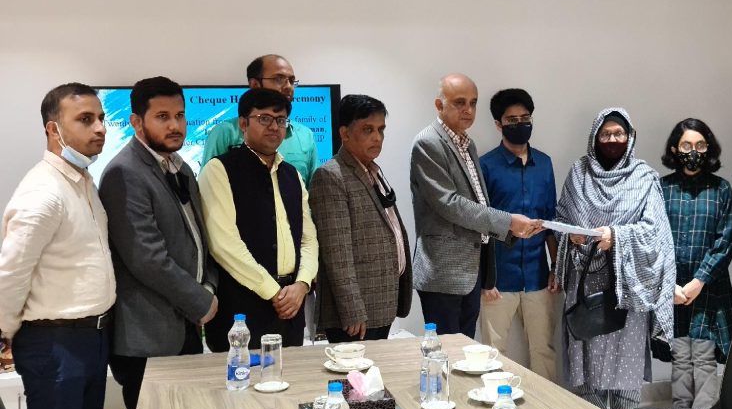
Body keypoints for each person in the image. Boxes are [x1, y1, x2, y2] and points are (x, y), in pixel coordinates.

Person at [0, 83, 115, 409]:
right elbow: (10, 274)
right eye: (85, 120)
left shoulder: (82, 182)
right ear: (54, 130)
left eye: (101, 118)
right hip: (55, 344)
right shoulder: (43, 191)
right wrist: (5, 335)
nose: (100, 128)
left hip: (91, 340)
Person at [99, 76, 219, 409]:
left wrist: (209, 286)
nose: (175, 125)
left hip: (183, 326)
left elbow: (200, 240)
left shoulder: (180, 168)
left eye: (180, 115)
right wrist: (201, 300)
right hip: (146, 334)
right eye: (162, 117)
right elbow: (146, 257)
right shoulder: (124, 172)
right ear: (136, 122)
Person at [554, 109, 675, 409]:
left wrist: (617, 236)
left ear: (630, 137)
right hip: (585, 287)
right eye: (605, 134)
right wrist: (572, 237)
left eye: (618, 134)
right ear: (594, 138)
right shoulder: (579, 173)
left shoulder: (644, 177)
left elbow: (654, 231)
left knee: (624, 368)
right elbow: (562, 217)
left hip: (628, 288)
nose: (612, 140)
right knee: (587, 364)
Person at [410, 73, 543, 338]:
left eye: (473, 102)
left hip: (472, 269)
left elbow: (478, 200)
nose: (468, 110)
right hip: (444, 272)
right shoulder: (428, 142)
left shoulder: (466, 143)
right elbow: (450, 204)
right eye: (459, 102)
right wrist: (508, 222)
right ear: (439, 105)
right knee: (445, 352)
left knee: (465, 350)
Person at [201, 54, 320, 339]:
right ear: (243, 124)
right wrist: (273, 291)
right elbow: (224, 244)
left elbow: (308, 238)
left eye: (280, 120)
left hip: (292, 305)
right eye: (264, 119)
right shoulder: (220, 170)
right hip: (243, 309)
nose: (274, 127)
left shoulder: (291, 174)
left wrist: (302, 284)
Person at [309, 94, 412, 343]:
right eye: (368, 129)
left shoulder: (373, 171)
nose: (377, 137)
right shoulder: (331, 175)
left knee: (376, 369)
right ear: (345, 133)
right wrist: (352, 309)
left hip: (381, 302)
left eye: (381, 129)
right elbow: (337, 252)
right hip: (355, 314)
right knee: (353, 370)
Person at [479, 88, 558, 380]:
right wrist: (485, 278)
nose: (520, 124)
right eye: (512, 120)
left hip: (538, 275)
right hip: (499, 277)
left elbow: (550, 219)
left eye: (525, 118)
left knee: (544, 349)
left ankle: (547, 405)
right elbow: (480, 224)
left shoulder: (544, 163)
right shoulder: (485, 165)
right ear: (498, 124)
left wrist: (556, 267)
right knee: (492, 353)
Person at [660, 118, 732, 409]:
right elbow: (654, 239)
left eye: (700, 145)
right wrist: (670, 284)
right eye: (686, 145)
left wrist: (698, 280)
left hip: (708, 287)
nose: (694, 151)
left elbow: (724, 242)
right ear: (674, 149)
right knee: (680, 354)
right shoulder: (662, 188)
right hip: (673, 286)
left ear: (709, 148)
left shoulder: (720, 189)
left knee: (704, 356)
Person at [201, 54, 319, 183]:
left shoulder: (305, 135)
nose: (288, 87)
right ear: (255, 84)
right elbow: (208, 184)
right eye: (279, 79)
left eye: (291, 81)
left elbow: (314, 189)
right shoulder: (225, 132)